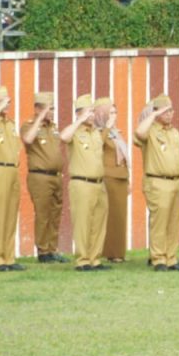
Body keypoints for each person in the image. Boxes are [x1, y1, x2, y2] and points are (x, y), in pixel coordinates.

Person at [134, 95, 179, 271]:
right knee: (159, 221)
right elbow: (138, 133)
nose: (169, 114)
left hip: (176, 182)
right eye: (165, 111)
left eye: (171, 110)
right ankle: (158, 259)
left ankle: (171, 258)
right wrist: (153, 114)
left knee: (174, 222)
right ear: (156, 112)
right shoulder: (150, 131)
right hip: (158, 181)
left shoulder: (174, 132)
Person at [62, 94, 108, 271]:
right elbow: (64, 137)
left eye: (92, 112)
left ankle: (95, 259)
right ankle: (82, 260)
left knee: (98, 223)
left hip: (99, 183)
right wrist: (79, 120)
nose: (92, 116)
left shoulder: (96, 132)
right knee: (82, 222)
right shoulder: (74, 132)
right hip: (81, 183)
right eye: (88, 112)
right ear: (79, 113)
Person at [22, 92, 68, 263]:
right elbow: (28, 139)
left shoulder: (53, 128)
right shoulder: (28, 126)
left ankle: (52, 248)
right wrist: (39, 118)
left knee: (55, 213)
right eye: (48, 109)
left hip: (56, 176)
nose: (51, 112)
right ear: (37, 108)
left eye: (52, 108)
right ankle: (43, 251)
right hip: (40, 176)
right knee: (43, 214)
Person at [100, 99, 130, 264]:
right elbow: (98, 145)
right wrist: (107, 127)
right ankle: (110, 252)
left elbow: (124, 157)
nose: (114, 116)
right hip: (108, 177)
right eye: (110, 113)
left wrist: (128, 177)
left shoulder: (116, 133)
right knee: (111, 216)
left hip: (121, 177)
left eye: (115, 112)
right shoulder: (101, 131)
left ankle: (119, 252)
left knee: (120, 217)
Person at [0, 87, 22, 272]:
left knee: (11, 215)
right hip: (0, 170)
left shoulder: (10, 123)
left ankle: (8, 256)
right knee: (0, 214)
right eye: (3, 100)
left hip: (13, 170)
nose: (8, 104)